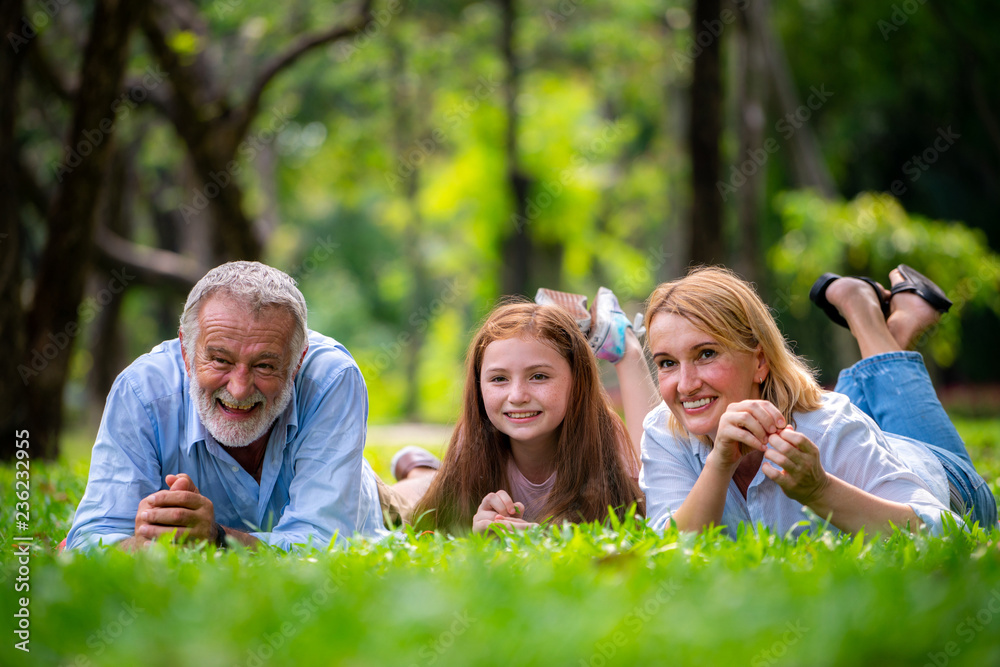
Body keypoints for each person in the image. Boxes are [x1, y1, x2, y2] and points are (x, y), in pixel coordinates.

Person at [640, 265, 997, 539]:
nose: (685, 385)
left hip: (945, 479)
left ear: (760, 361)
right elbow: (668, 551)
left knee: (827, 415)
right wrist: (719, 465)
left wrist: (820, 490)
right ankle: (895, 326)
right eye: (667, 363)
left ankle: (862, 309)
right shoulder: (664, 431)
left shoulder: (830, 424)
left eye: (705, 354)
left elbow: (948, 533)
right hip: (860, 443)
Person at [66, 261, 387, 551]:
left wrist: (216, 539)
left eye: (264, 366)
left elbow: (323, 545)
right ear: (186, 352)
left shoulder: (331, 379)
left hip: (362, 496)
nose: (239, 388)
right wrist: (152, 543)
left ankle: (416, 471)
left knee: (409, 506)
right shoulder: (141, 393)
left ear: (298, 361)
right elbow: (88, 542)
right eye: (220, 360)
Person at [410, 299, 653, 533]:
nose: (517, 396)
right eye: (499, 379)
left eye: (538, 376)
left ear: (578, 381)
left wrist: (538, 535)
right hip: (419, 486)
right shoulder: (474, 438)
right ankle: (417, 467)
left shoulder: (604, 435)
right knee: (405, 497)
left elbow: (653, 508)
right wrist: (478, 526)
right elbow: (430, 528)